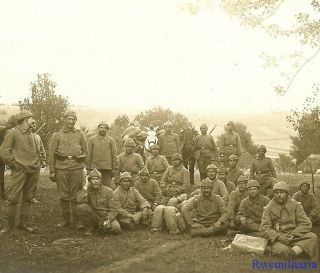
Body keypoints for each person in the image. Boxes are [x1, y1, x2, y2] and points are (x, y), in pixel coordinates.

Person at [0, 110, 40, 233]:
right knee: (13, 198)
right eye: (32, 118)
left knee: (28, 198)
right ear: (25, 119)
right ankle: (9, 226)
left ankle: (23, 224)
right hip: (20, 171)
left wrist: (37, 164)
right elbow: (4, 151)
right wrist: (13, 165)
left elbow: (34, 152)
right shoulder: (12, 133)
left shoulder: (31, 134)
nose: (34, 120)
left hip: (33, 170)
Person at [49, 110, 88, 228]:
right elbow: (51, 154)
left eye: (73, 119)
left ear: (75, 121)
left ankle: (77, 220)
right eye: (69, 119)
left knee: (76, 194)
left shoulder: (80, 135)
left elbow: (86, 152)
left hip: (76, 167)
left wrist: (82, 160)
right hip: (61, 167)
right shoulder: (57, 135)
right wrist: (52, 170)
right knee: (64, 194)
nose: (71, 121)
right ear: (64, 119)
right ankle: (66, 220)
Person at [260, 182, 318, 260]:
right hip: (278, 238)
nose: (278, 195)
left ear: (287, 193)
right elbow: (264, 228)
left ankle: (292, 252)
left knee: (312, 237)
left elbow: (306, 223)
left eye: (281, 192)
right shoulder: (268, 208)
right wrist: (279, 237)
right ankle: (295, 251)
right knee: (282, 250)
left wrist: (293, 234)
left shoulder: (296, 205)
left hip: (295, 236)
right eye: (276, 192)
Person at [77, 169, 121, 236]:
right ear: (90, 181)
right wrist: (85, 186)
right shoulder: (87, 190)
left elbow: (114, 209)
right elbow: (79, 200)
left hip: (105, 216)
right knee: (81, 207)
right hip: (93, 216)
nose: (95, 181)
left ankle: (101, 226)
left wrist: (108, 220)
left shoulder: (109, 191)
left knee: (116, 229)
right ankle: (89, 228)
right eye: (93, 179)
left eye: (97, 179)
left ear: (101, 180)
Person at [86, 121, 118, 189]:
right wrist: (88, 169)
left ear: (107, 129)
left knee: (106, 188)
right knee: (94, 187)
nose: (103, 129)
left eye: (104, 128)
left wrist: (114, 169)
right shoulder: (91, 140)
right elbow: (88, 155)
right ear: (98, 128)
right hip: (94, 168)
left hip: (107, 170)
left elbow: (114, 155)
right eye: (101, 127)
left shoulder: (111, 140)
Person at [30, 121, 46, 203]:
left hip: (36, 162)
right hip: (25, 162)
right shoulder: (23, 136)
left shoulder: (37, 136)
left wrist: (43, 160)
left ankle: (32, 197)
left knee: (34, 181)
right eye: (32, 124)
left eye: (35, 124)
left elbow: (42, 149)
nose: (33, 126)